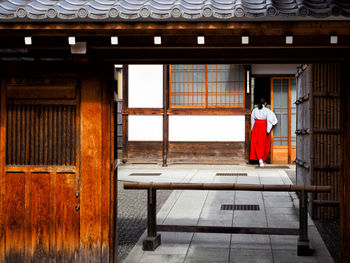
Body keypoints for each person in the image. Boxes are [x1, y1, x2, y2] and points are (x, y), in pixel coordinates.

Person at [250, 98, 278, 167]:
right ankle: (261, 159)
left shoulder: (254, 110)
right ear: (265, 103)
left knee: (257, 143)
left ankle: (259, 159)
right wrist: (268, 130)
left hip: (256, 127)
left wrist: (252, 129)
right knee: (263, 143)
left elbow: (252, 120)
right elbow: (271, 120)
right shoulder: (267, 110)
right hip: (263, 127)